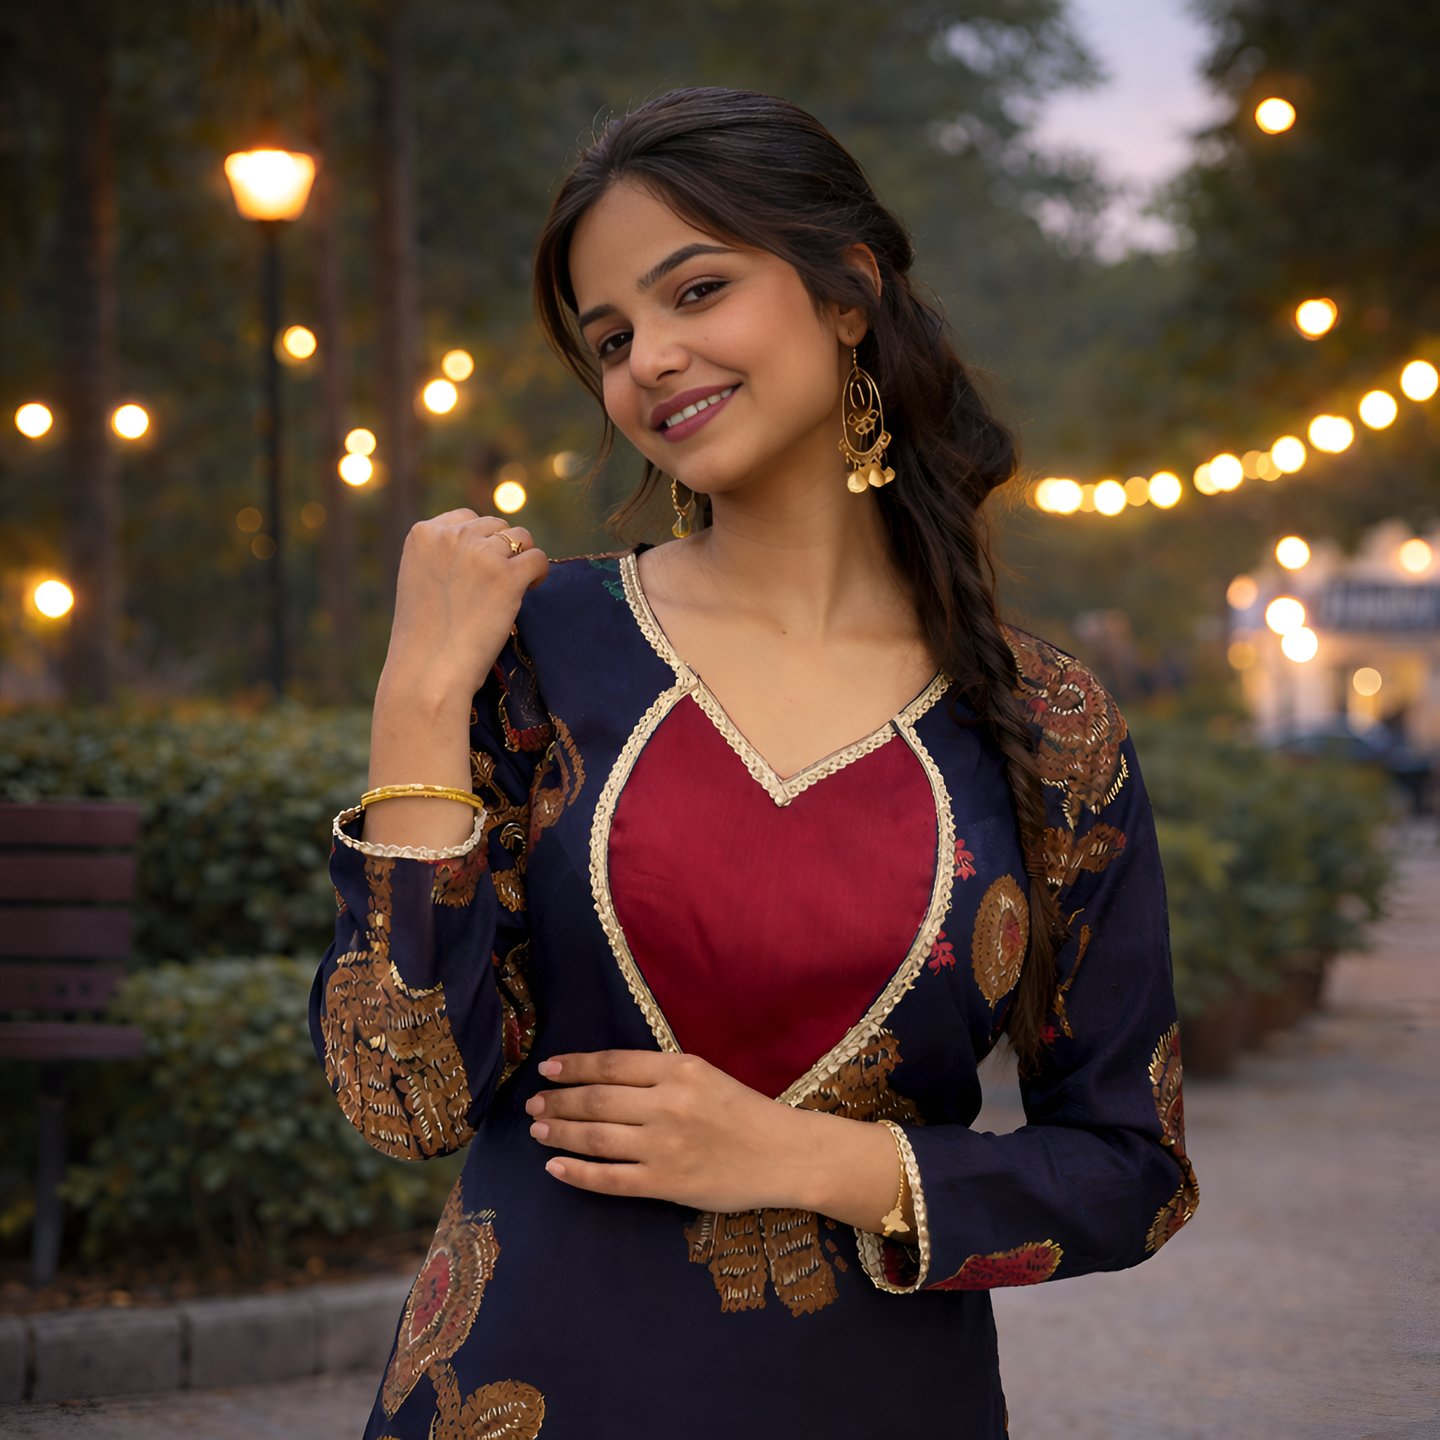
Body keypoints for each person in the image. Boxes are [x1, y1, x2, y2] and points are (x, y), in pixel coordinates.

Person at [310, 86, 1199, 1440]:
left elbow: (1132, 1171)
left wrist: (812, 1161)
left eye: (698, 290)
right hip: (530, 1389)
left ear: (850, 292)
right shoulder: (539, 649)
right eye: (611, 337)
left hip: (883, 1401)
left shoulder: (1041, 718)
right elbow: (406, 1098)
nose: (650, 359)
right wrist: (420, 693)